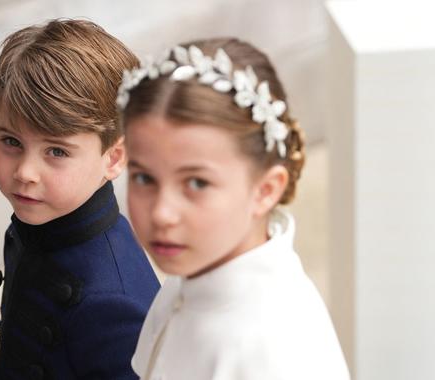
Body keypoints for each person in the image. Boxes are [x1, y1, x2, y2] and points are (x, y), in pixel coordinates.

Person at [118, 38, 350, 379]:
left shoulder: (271, 353)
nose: (161, 213)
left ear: (265, 190)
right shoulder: (189, 277)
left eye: (196, 183)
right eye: (144, 178)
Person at [0, 19, 160, 379]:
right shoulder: (38, 226)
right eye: (11, 142)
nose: (25, 172)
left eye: (56, 151)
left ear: (113, 158)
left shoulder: (114, 303)